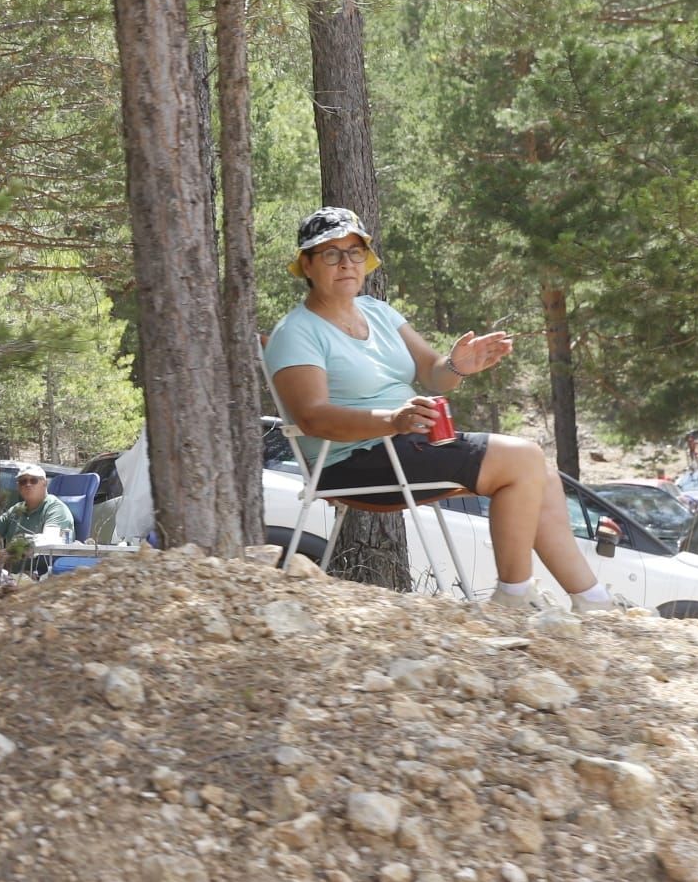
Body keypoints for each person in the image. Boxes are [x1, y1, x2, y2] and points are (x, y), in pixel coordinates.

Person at [265, 206, 618, 613]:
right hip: (351, 458)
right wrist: (391, 420)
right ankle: (514, 597)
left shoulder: (378, 313)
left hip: (407, 441)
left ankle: (592, 601)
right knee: (523, 460)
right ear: (306, 265)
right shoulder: (296, 333)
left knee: (538, 469)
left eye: (355, 252)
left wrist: (457, 366)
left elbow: (434, 375)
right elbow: (313, 417)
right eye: (330, 253)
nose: (346, 263)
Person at [0, 464, 75, 571]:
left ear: (44, 483)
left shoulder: (55, 509)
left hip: (45, 577)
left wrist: (12, 552)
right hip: (14, 579)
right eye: (23, 481)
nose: (28, 484)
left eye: (33, 480)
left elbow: (50, 540)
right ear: (18, 486)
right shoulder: (15, 511)